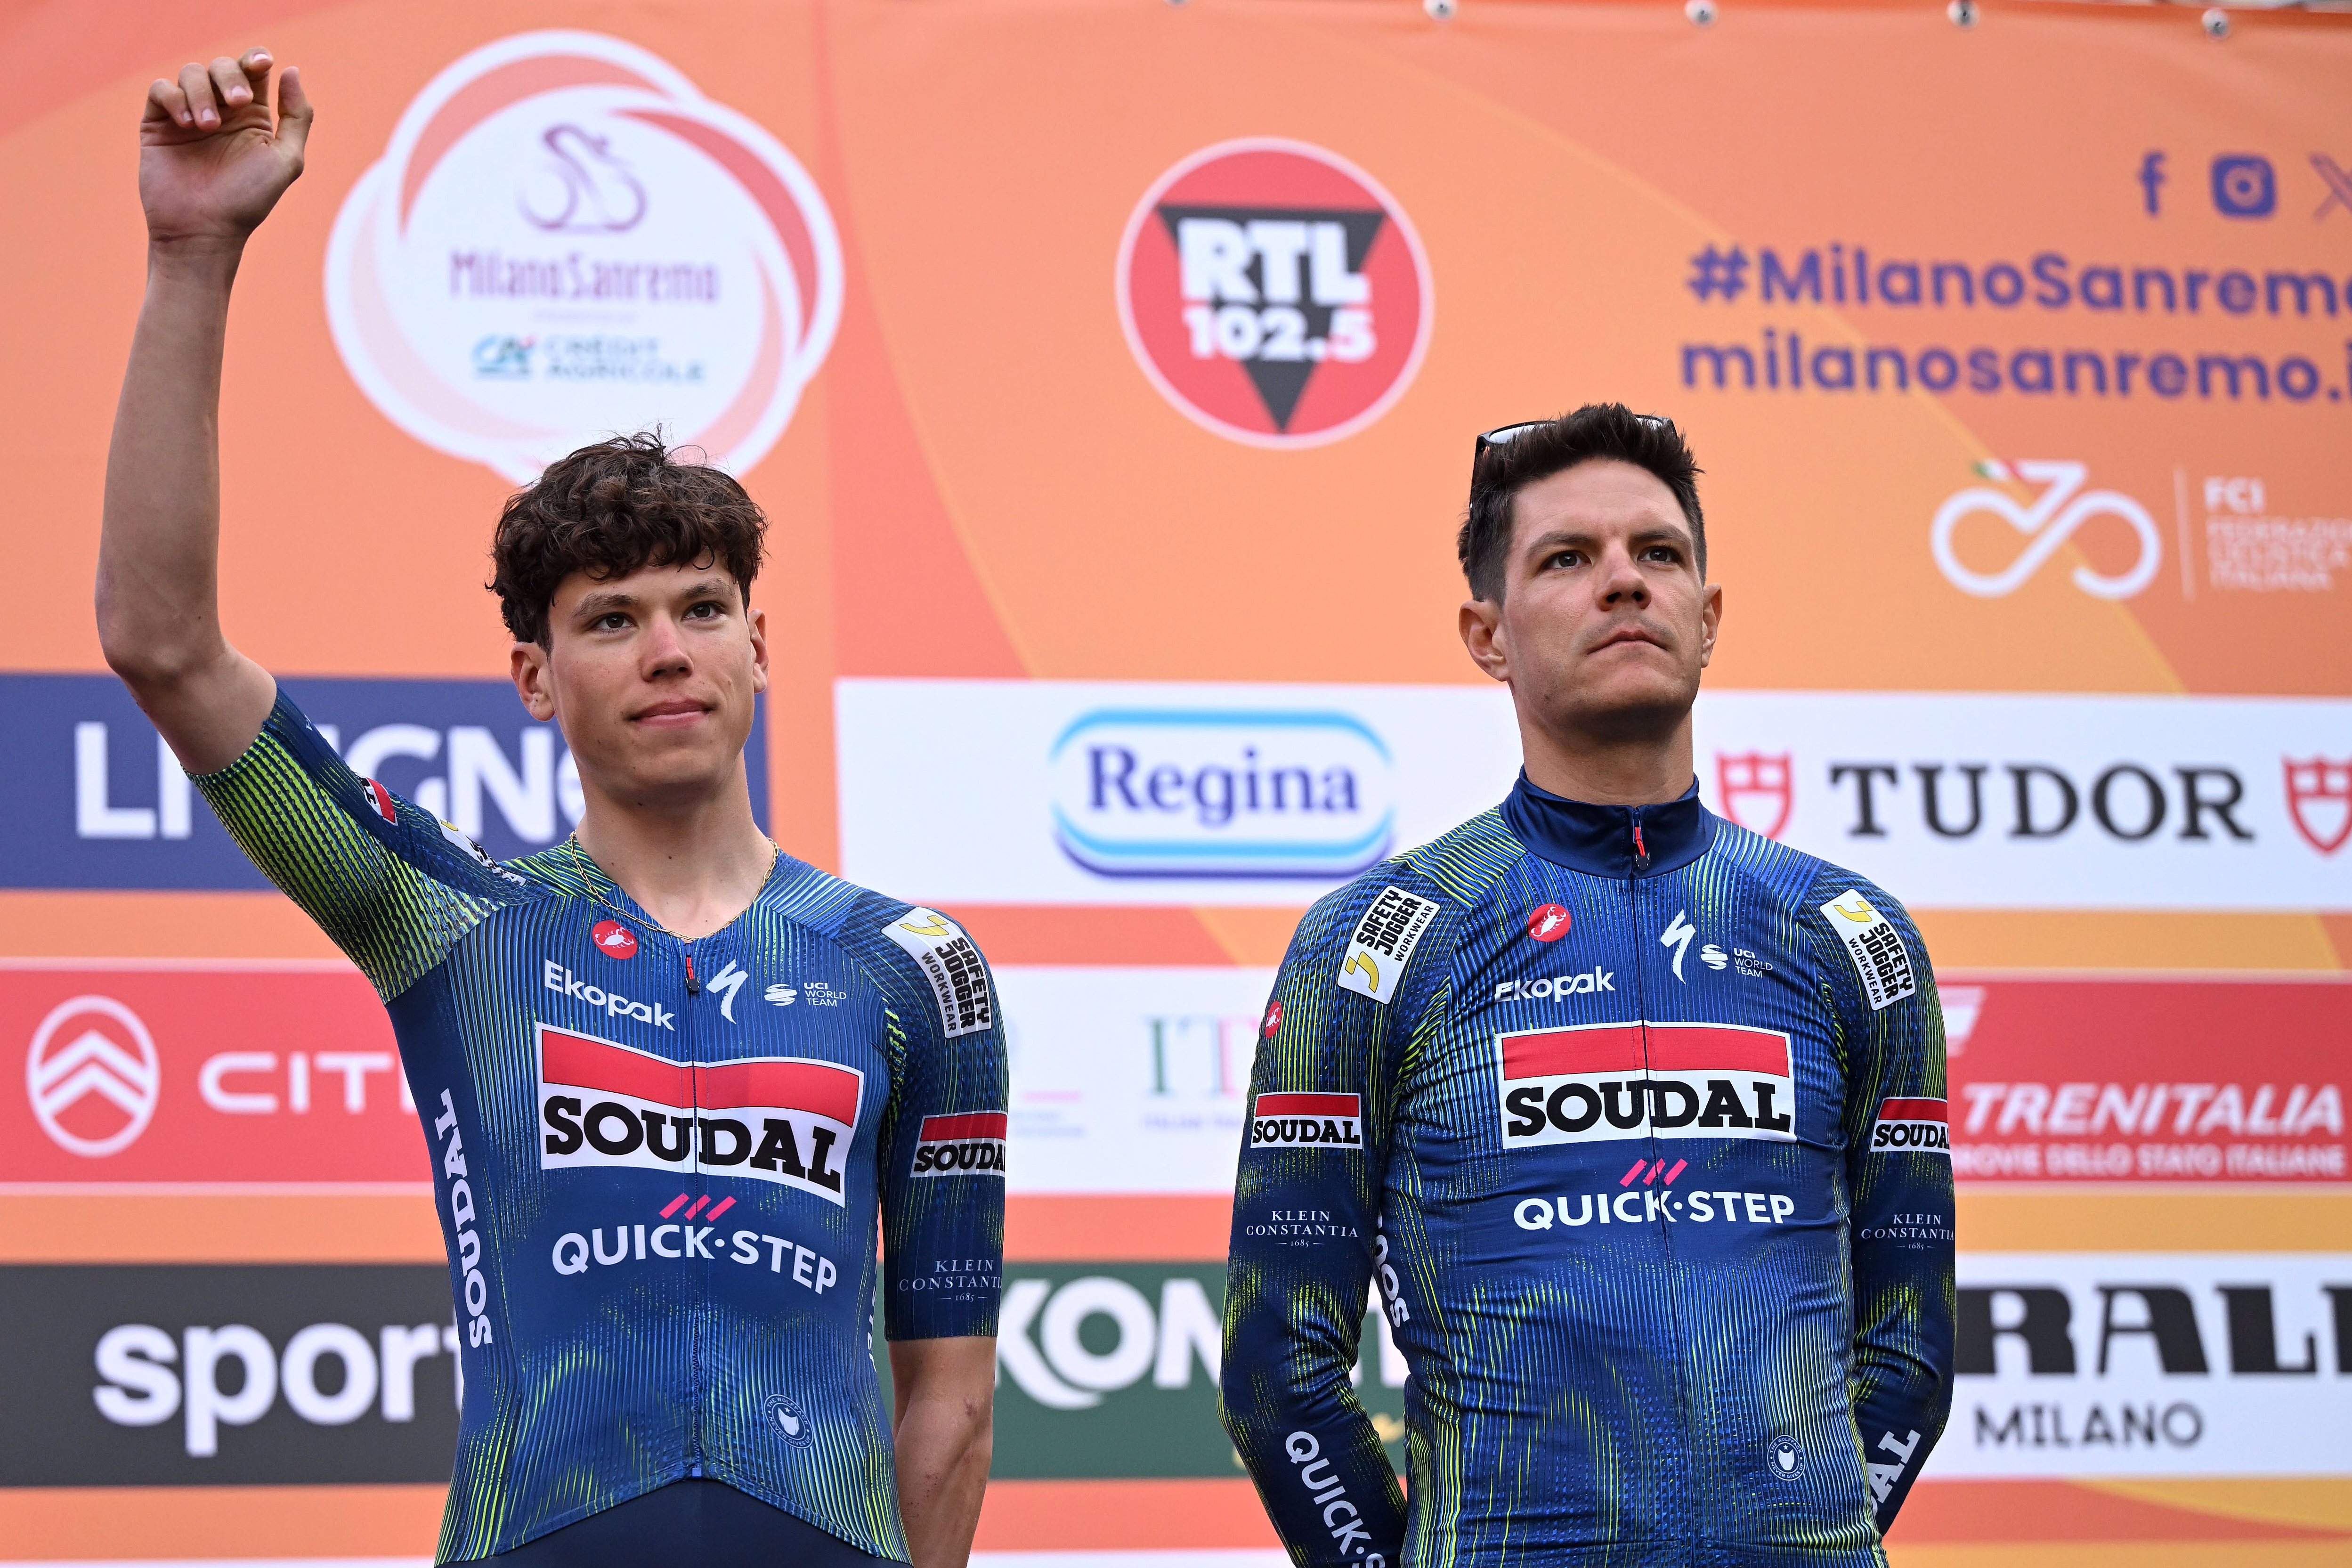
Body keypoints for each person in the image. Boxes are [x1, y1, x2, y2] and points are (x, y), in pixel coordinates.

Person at [98, 50, 1005, 1568]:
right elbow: (163, 644)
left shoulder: (916, 968)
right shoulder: (447, 919)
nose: (668, 650)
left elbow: (953, 1407)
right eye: (610, 620)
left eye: (703, 608)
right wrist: (193, 255)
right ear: (535, 676)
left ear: (760, 645)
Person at [1220, 406, 1954, 1566]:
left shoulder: (1850, 940)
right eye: (1567, 558)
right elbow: (1276, 1372)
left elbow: (1909, 1354)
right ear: (1487, 634)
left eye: (1658, 552)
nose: (1624, 581)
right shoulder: (1374, 944)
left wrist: (1808, 1538)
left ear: (1708, 617)